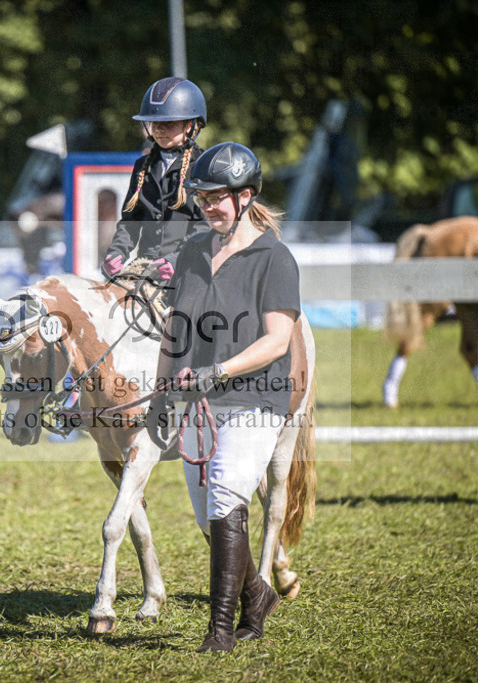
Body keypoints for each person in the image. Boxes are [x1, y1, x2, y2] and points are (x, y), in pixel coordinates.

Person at [147, 142, 301, 652]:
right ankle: (257, 597)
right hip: (198, 404)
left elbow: (277, 341)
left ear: (245, 196)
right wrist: (160, 394)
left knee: (225, 496)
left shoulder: (275, 259)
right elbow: (175, 329)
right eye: (202, 197)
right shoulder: (193, 251)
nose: (208, 206)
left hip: (256, 397)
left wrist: (218, 371)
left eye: (217, 197)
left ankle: (219, 632)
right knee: (208, 518)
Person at [101, 77, 209, 282]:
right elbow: (130, 221)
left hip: (188, 268)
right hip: (145, 267)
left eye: (169, 124)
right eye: (155, 123)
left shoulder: (204, 166)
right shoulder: (142, 166)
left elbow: (205, 227)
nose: (159, 130)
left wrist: (177, 260)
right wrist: (116, 252)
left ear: (190, 125)